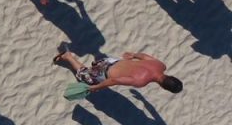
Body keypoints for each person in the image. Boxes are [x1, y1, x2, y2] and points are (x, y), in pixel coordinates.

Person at [53, 44, 183, 94]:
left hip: (112, 60)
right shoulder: (141, 81)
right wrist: (95, 88)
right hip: (104, 72)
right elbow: (114, 80)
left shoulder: (161, 65)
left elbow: (144, 56)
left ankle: (95, 65)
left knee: (98, 66)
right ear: (163, 87)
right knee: (86, 78)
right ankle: (68, 57)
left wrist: (133, 55)